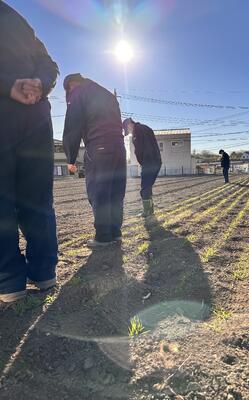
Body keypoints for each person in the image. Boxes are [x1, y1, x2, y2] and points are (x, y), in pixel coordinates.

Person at [0, 1, 59, 303]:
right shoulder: (20, 20)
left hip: (16, 114)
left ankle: (10, 282)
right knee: (38, 198)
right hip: (35, 117)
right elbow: (49, 64)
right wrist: (39, 82)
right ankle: (44, 271)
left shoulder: (17, 19)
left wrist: (18, 85)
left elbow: (48, 65)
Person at [63, 74, 126, 248]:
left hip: (99, 146)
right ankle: (115, 233)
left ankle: (103, 237)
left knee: (99, 191)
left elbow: (72, 126)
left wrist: (71, 157)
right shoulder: (107, 94)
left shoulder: (78, 92)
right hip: (119, 146)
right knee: (115, 190)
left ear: (70, 85)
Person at [123, 118, 162, 217]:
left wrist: (142, 162)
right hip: (156, 161)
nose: (130, 133)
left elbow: (140, 149)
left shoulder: (138, 131)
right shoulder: (146, 128)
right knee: (147, 187)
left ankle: (147, 212)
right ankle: (150, 211)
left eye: (128, 130)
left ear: (129, 125)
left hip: (148, 162)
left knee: (144, 188)